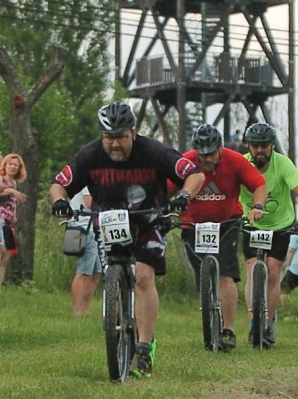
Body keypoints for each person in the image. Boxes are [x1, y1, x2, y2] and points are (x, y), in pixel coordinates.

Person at [49, 102, 205, 376]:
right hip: (108, 220)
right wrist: (60, 201)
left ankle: (144, 347)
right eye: (108, 138)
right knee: (113, 270)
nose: (115, 144)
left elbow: (195, 174)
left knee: (143, 276)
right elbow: (59, 183)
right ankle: (116, 321)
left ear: (133, 132)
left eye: (121, 137)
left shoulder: (153, 151)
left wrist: (183, 195)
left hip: (148, 220)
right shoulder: (90, 154)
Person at [177, 123, 267, 351]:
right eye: (203, 155)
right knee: (203, 273)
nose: (207, 159)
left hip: (226, 223)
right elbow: (166, 187)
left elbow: (259, 186)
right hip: (193, 225)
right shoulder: (186, 162)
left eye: (212, 154)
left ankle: (228, 329)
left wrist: (257, 207)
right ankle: (208, 304)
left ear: (220, 149)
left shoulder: (235, 160)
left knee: (226, 274)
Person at [240, 121, 298, 346]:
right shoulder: (242, 164)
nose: (260, 150)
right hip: (251, 224)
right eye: (255, 146)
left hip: (280, 225)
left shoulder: (283, 163)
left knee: (272, 272)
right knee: (252, 271)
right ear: (249, 146)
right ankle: (253, 322)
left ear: (271, 146)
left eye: (264, 146)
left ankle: (268, 324)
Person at [0, 151, 28, 300]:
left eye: (16, 165)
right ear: (5, 165)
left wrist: (14, 216)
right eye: (11, 164)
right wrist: (11, 191)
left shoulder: (14, 182)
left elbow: (13, 203)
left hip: (9, 223)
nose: (13, 167)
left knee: (6, 256)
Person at [69, 191, 103, 316]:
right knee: (83, 271)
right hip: (86, 228)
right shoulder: (87, 185)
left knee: (96, 272)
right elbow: (89, 203)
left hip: (94, 229)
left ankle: (85, 308)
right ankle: (77, 309)